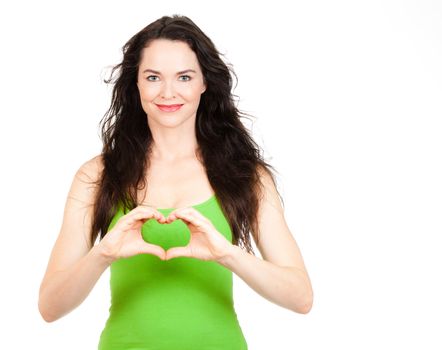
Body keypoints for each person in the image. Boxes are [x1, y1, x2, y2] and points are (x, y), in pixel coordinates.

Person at [38, 14, 313, 349]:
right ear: (135, 83)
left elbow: (301, 297)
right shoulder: (96, 176)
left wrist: (227, 254)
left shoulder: (247, 175)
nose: (168, 92)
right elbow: (50, 307)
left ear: (204, 83)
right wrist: (103, 254)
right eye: (153, 77)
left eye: (184, 77)